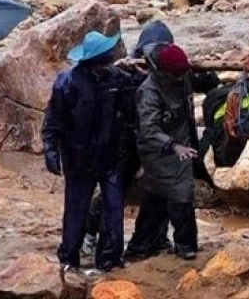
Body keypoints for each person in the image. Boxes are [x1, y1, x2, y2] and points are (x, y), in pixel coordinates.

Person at [43, 31, 144, 274]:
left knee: (114, 209)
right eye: (103, 60)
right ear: (90, 61)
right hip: (78, 159)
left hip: (111, 156)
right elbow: (53, 121)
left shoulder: (118, 80)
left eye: (109, 59)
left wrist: (139, 71)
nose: (107, 63)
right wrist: (51, 151)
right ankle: (69, 257)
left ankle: (110, 259)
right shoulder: (67, 83)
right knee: (76, 210)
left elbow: (133, 107)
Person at [126, 44, 203, 261]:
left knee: (159, 197)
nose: (180, 78)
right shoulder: (148, 92)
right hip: (158, 150)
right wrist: (173, 146)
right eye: (176, 74)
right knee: (178, 195)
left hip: (182, 143)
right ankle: (185, 245)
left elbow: (209, 83)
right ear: (163, 71)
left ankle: (144, 244)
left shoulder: (183, 77)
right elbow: (149, 129)